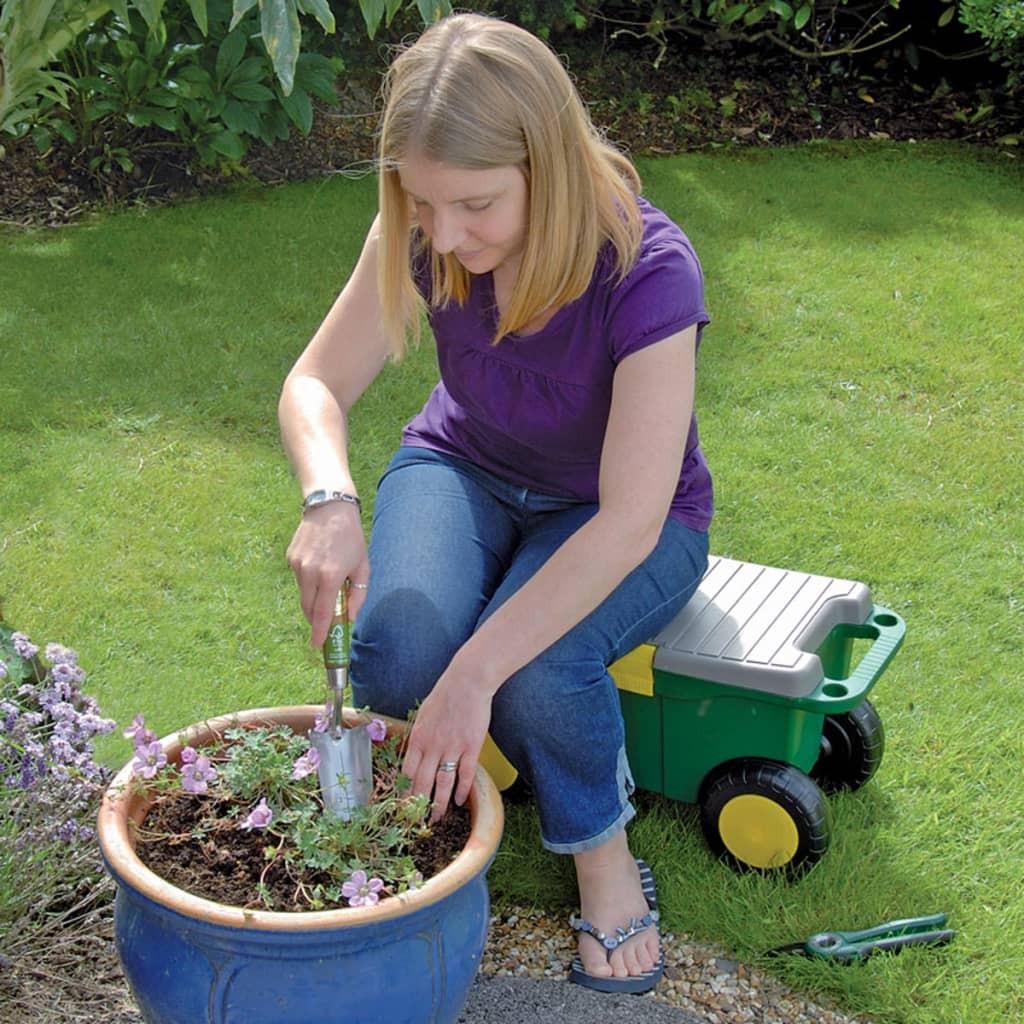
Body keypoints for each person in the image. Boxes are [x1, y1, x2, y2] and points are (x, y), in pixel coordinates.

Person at [279, 12, 712, 995]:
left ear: (546, 165)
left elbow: (628, 521)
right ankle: (429, 805)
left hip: (619, 517)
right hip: (465, 466)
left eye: (474, 204)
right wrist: (330, 500)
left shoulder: (648, 271)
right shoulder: (424, 228)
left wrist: (479, 671)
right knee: (397, 645)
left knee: (536, 667)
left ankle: (600, 858)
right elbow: (313, 386)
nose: (444, 235)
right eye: (423, 206)